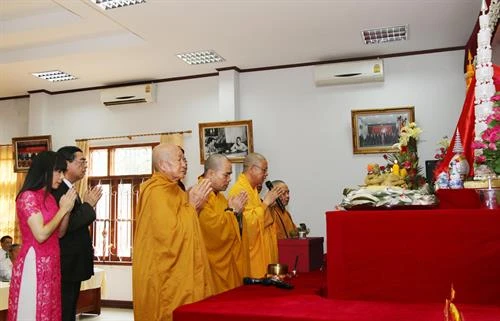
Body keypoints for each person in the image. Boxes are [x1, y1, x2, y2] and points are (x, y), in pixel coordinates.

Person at [133, 143, 214, 321]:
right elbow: (167, 237)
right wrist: (192, 206)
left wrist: (195, 207)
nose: (185, 164)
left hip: (182, 269)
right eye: (180, 159)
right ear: (163, 165)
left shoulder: (176, 190)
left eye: (185, 159)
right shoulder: (155, 191)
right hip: (164, 276)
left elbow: (186, 223)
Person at [8, 151, 77, 321]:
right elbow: (41, 234)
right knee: (33, 311)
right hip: (34, 262)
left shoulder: (50, 199)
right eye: (58, 171)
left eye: (62, 172)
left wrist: (66, 211)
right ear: (45, 171)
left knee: (49, 310)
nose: (61, 177)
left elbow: (59, 233)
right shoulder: (27, 197)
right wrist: (62, 210)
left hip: (51, 262)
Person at [53, 146, 102, 321]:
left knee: (70, 308)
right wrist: (88, 205)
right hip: (66, 261)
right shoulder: (58, 190)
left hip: (73, 261)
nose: (85, 165)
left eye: (86, 162)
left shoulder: (70, 188)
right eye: (81, 161)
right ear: (66, 163)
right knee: (64, 309)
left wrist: (86, 206)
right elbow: (65, 227)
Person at [228, 153, 285, 278]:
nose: (266, 174)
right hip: (251, 256)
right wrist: (265, 203)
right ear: (252, 169)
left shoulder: (252, 190)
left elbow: (264, 221)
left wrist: (269, 205)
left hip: (262, 251)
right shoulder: (240, 190)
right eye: (264, 170)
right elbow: (246, 226)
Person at [198, 154, 248, 294]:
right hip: (211, 267)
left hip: (227, 265)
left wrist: (236, 214)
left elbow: (232, 231)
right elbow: (212, 231)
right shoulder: (200, 196)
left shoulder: (220, 197)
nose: (229, 179)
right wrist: (232, 211)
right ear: (211, 173)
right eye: (226, 175)